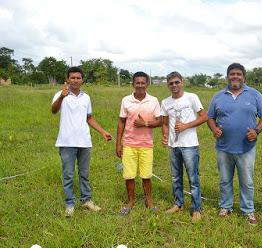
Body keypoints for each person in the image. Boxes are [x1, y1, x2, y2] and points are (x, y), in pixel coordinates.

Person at [207, 63, 262, 225]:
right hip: (224, 147)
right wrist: (214, 129)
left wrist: (256, 131)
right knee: (225, 179)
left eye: (238, 74)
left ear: (244, 77)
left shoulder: (254, 95)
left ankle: (248, 209)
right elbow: (210, 117)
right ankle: (225, 206)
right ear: (227, 77)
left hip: (246, 148)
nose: (235, 77)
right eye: (232, 74)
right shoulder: (218, 96)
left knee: (247, 181)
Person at [51, 66, 112, 217]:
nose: (75, 80)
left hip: (84, 141)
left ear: (82, 80)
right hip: (66, 142)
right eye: (72, 78)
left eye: (78, 78)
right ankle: (70, 204)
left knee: (84, 173)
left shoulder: (86, 97)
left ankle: (86, 200)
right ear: (67, 79)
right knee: (68, 175)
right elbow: (53, 110)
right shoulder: (61, 94)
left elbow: (89, 118)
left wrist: (103, 132)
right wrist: (61, 97)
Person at [161, 71, 207, 222]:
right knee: (175, 177)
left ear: (182, 82)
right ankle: (178, 204)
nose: (174, 85)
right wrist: (165, 135)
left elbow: (204, 117)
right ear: (167, 85)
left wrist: (186, 126)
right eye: (171, 83)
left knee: (193, 178)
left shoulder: (191, 97)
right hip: (173, 145)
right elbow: (165, 122)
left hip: (189, 145)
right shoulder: (165, 102)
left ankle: (196, 208)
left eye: (176, 82)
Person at [116, 71, 161, 215]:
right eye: (137, 83)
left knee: (146, 176)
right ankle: (130, 202)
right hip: (129, 144)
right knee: (129, 176)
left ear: (147, 84)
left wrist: (145, 123)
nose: (140, 85)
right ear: (133, 84)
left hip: (146, 144)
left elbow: (160, 121)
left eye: (143, 83)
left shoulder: (153, 101)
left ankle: (149, 202)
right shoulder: (126, 100)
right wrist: (118, 143)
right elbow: (121, 122)